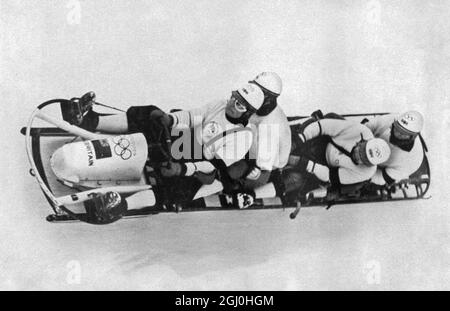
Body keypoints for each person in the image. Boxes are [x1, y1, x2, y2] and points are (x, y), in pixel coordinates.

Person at [60, 84, 265, 221]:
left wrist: (182, 168)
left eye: (238, 104)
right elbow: (193, 115)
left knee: (175, 194)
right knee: (151, 113)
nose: (231, 103)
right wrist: (170, 119)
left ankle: (118, 206)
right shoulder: (221, 104)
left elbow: (214, 166)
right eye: (233, 97)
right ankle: (88, 120)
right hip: (187, 142)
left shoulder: (243, 137)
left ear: (247, 112)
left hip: (200, 164)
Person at [248, 115, 391, 204]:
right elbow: (323, 125)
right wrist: (299, 140)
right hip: (319, 141)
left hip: (323, 168)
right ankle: (253, 137)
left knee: (296, 180)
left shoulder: (367, 173)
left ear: (369, 164)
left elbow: (331, 176)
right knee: (288, 139)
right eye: (362, 151)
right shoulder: (360, 130)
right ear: (363, 141)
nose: (358, 156)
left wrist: (302, 163)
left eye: (364, 160)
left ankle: (252, 196)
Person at [364, 111, 425, 186]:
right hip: (362, 146)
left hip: (375, 169)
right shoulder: (393, 119)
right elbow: (370, 125)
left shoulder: (412, 162)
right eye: (397, 129)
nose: (397, 134)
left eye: (403, 133)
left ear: (413, 136)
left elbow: (382, 178)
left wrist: (365, 174)